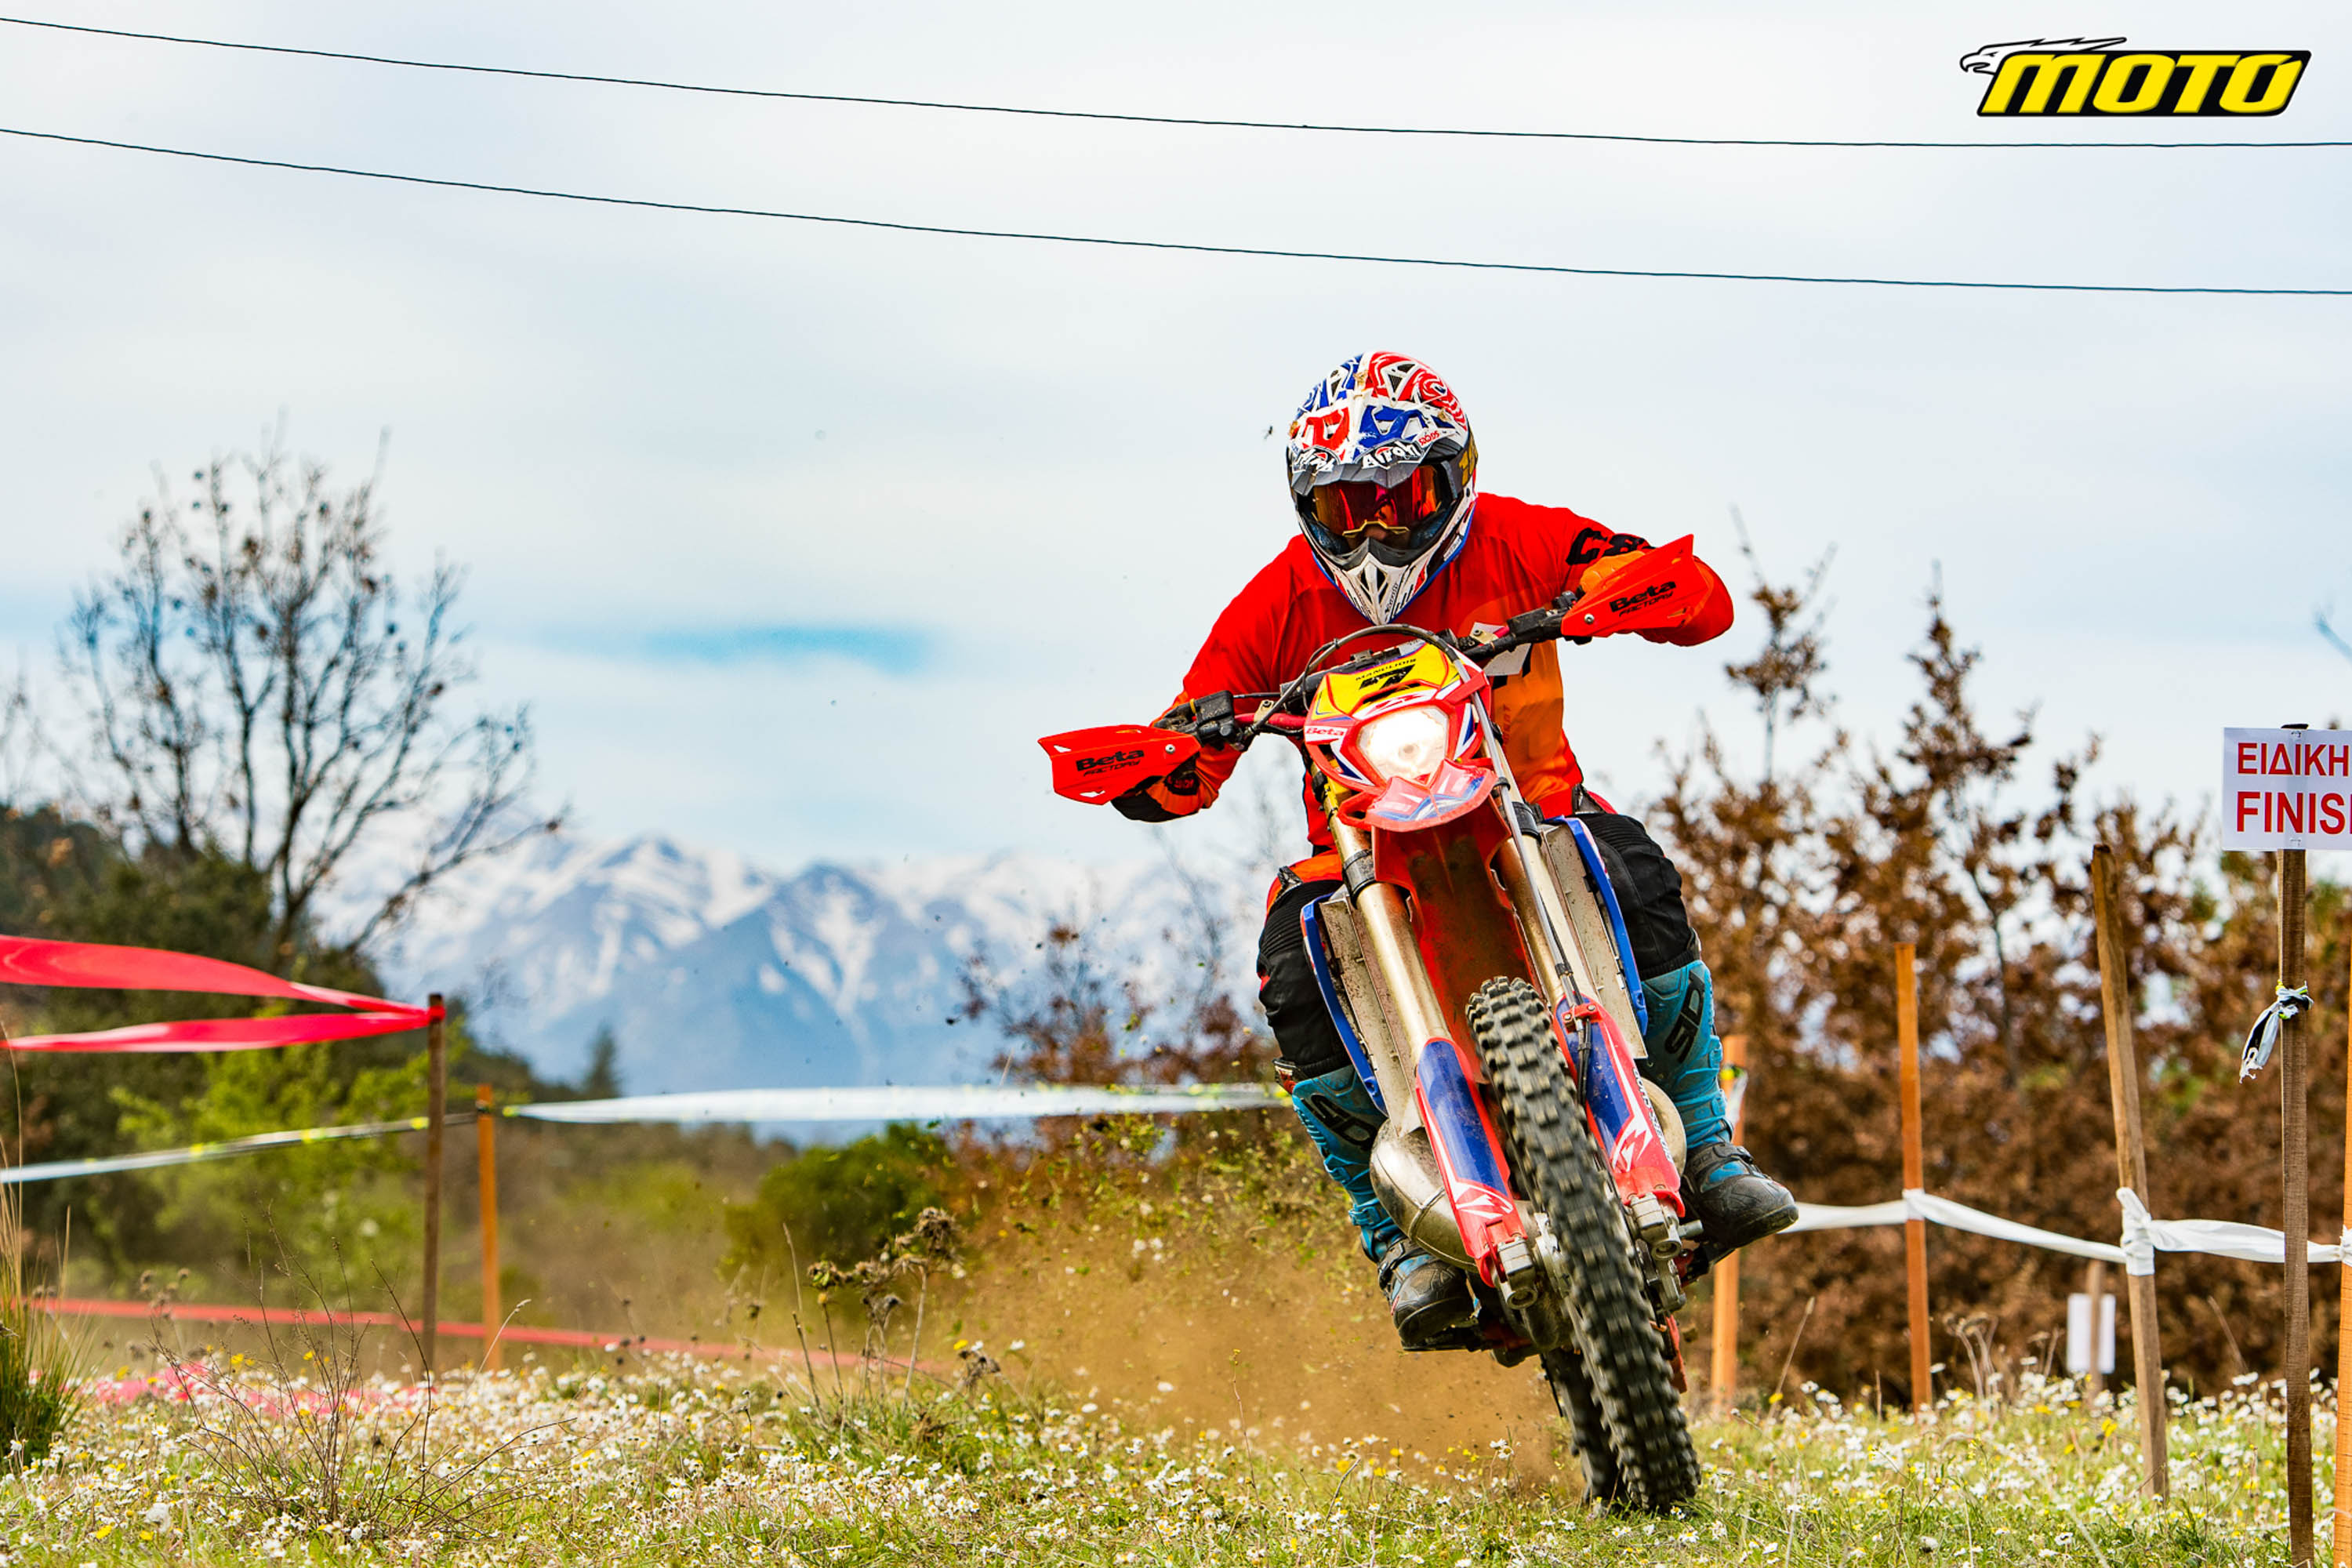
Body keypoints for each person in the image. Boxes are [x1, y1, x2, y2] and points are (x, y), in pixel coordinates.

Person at [1112, 351, 1796, 1347]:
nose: (1377, 529)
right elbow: (1186, 749)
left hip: (1532, 807)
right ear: (1309, 506)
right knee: (1292, 963)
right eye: (1348, 507)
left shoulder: (1522, 535)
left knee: (1634, 866)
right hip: (1359, 850)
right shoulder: (1280, 600)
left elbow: (1683, 593)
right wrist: (1167, 752)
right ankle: (1394, 1235)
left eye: (1403, 498)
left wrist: (1630, 588)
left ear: (1456, 475)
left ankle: (1710, 1148)